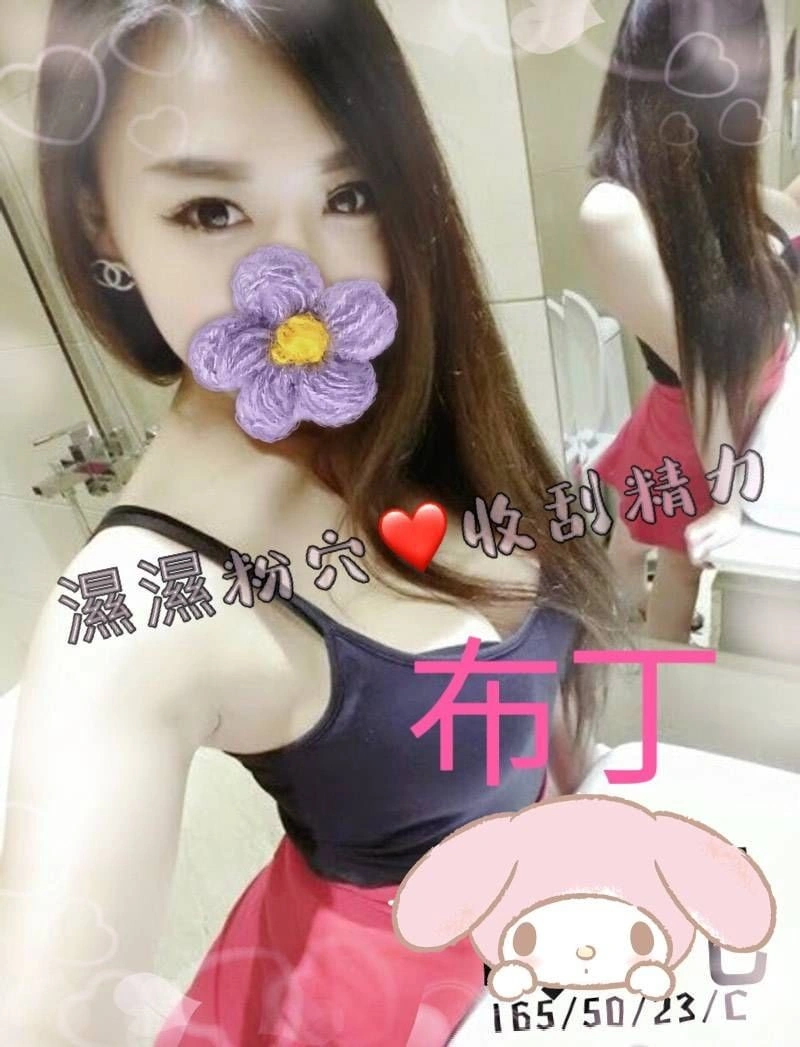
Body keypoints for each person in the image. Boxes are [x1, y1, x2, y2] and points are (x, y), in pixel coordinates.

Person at [0, 2, 625, 1045]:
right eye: (210, 209)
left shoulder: (413, 411)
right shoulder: (129, 615)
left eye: (350, 194)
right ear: (101, 222)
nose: (301, 275)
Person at [579, 0, 800, 643]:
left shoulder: (728, 193)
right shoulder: (617, 208)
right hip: (702, 415)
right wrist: (727, 499)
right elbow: (702, 369)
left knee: (643, 548)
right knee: (672, 561)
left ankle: (634, 655)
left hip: (729, 407)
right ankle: (646, 676)